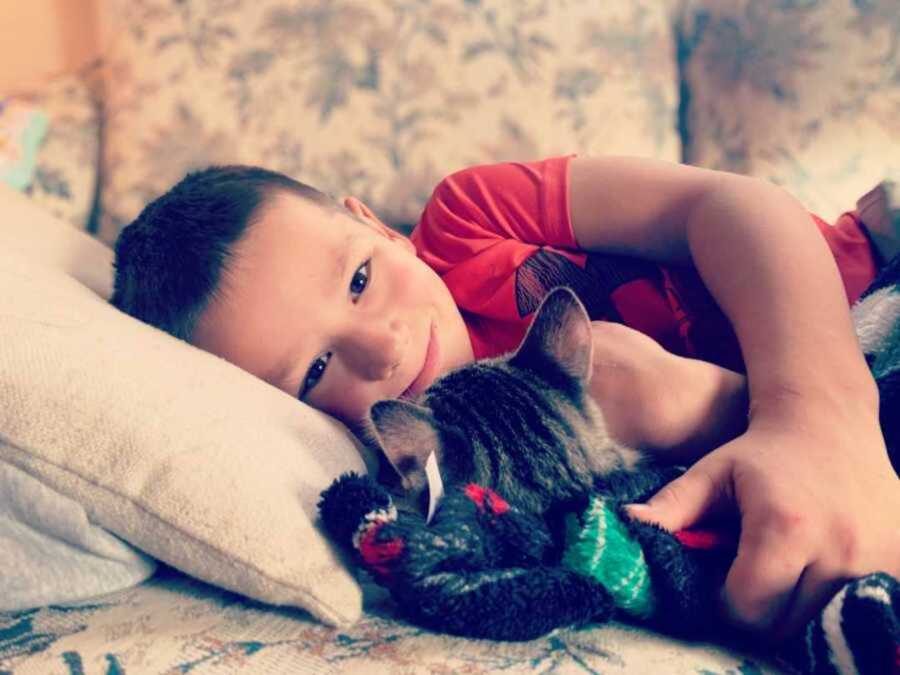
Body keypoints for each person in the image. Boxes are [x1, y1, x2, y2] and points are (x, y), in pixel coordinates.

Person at [111, 155, 900, 641]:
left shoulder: (465, 223)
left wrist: (815, 410)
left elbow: (731, 205)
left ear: (377, 228)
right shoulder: (455, 485)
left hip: (858, 286)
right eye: (314, 371)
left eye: (359, 279)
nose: (382, 347)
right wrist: (704, 404)